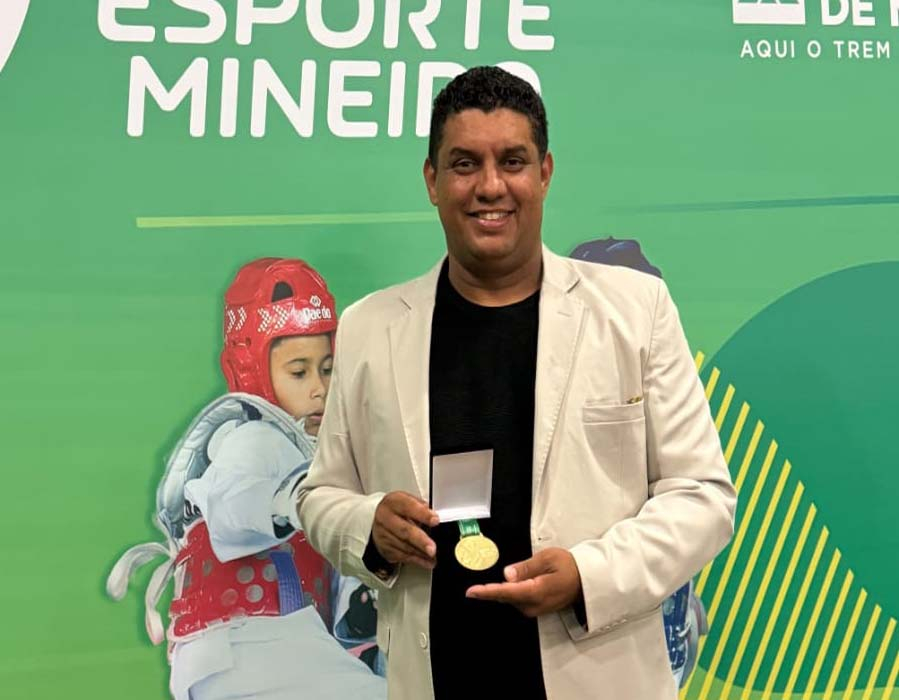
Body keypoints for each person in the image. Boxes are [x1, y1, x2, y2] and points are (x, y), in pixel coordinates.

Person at [296, 67, 737, 700]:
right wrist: (368, 526)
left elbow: (702, 496)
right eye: (464, 164)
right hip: (435, 677)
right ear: (432, 180)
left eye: (512, 161)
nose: (490, 186)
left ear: (545, 173)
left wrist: (587, 574)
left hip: (597, 675)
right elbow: (320, 495)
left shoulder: (635, 310)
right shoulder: (370, 327)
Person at [107, 258, 386, 700]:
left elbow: (333, 569)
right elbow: (233, 505)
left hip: (268, 654)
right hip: (249, 646)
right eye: (299, 372)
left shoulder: (314, 458)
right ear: (253, 370)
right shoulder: (253, 437)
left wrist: (359, 608)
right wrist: (291, 501)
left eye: (328, 368)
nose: (320, 388)